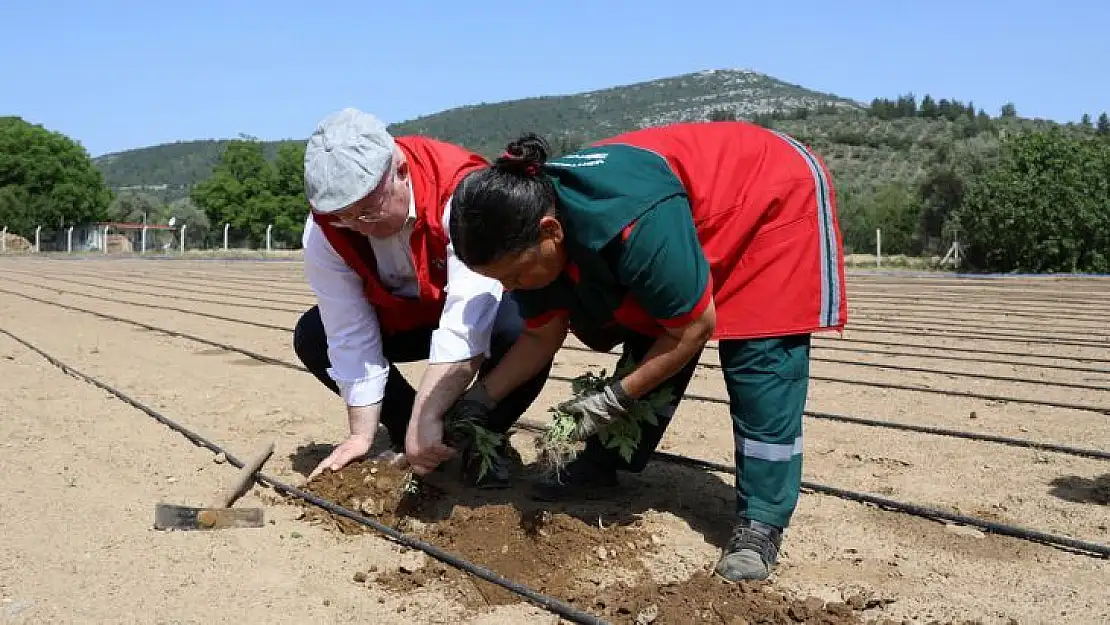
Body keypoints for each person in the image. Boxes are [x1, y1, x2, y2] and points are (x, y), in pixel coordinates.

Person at [443, 121, 848, 582]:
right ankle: (601, 464)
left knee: (760, 361)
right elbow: (539, 336)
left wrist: (612, 398)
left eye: (513, 276)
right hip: (682, 216)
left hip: (767, 193)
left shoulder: (629, 221)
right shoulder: (527, 227)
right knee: (648, 327)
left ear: (551, 230)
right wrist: (479, 401)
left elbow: (691, 329)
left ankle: (761, 521)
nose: (509, 288)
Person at [293, 107, 551, 487]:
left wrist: (429, 412)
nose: (359, 226)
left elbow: (468, 314)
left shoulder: (461, 191)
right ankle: (407, 432)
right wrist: (361, 434)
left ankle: (482, 437)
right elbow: (349, 331)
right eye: (344, 217)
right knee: (313, 335)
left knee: (523, 323)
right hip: (404, 318)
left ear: (399, 168)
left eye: (368, 210)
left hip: (469, 311)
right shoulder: (324, 230)